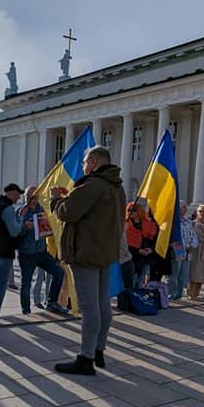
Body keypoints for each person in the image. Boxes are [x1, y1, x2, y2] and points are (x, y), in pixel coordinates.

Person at [50, 146, 125, 375]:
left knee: (89, 306)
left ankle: (86, 358)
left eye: (84, 162)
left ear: (93, 161)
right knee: (103, 304)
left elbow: (67, 213)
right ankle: (98, 349)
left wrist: (55, 200)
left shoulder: (92, 185)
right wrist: (70, 197)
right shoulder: (116, 187)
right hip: (104, 252)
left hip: (85, 253)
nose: (83, 166)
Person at [17, 186, 69, 315]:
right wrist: (24, 227)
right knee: (26, 283)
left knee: (58, 272)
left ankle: (51, 302)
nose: (30, 200)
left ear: (37, 197)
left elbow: (51, 228)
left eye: (32, 197)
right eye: (27, 197)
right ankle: (26, 311)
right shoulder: (20, 211)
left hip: (41, 251)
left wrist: (49, 227)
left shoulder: (44, 210)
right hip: (26, 252)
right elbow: (14, 232)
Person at [0, 183, 26, 317]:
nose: (19, 198)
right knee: (1, 286)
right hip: (4, 252)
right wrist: (21, 218)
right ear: (11, 193)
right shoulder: (7, 208)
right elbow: (14, 231)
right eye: (18, 194)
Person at [170, 201, 198, 301]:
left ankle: (179, 294)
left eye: (185, 207)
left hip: (188, 252)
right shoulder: (173, 222)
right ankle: (172, 295)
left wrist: (192, 245)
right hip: (177, 252)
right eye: (182, 207)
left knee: (183, 275)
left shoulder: (188, 221)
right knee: (174, 274)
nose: (185, 209)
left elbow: (193, 235)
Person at [125, 202, 157, 289]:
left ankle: (137, 298)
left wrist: (150, 249)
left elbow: (153, 240)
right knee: (133, 279)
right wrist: (138, 251)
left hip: (146, 257)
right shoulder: (126, 224)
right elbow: (125, 242)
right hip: (132, 256)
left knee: (141, 280)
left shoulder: (148, 224)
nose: (131, 212)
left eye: (133, 210)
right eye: (129, 210)